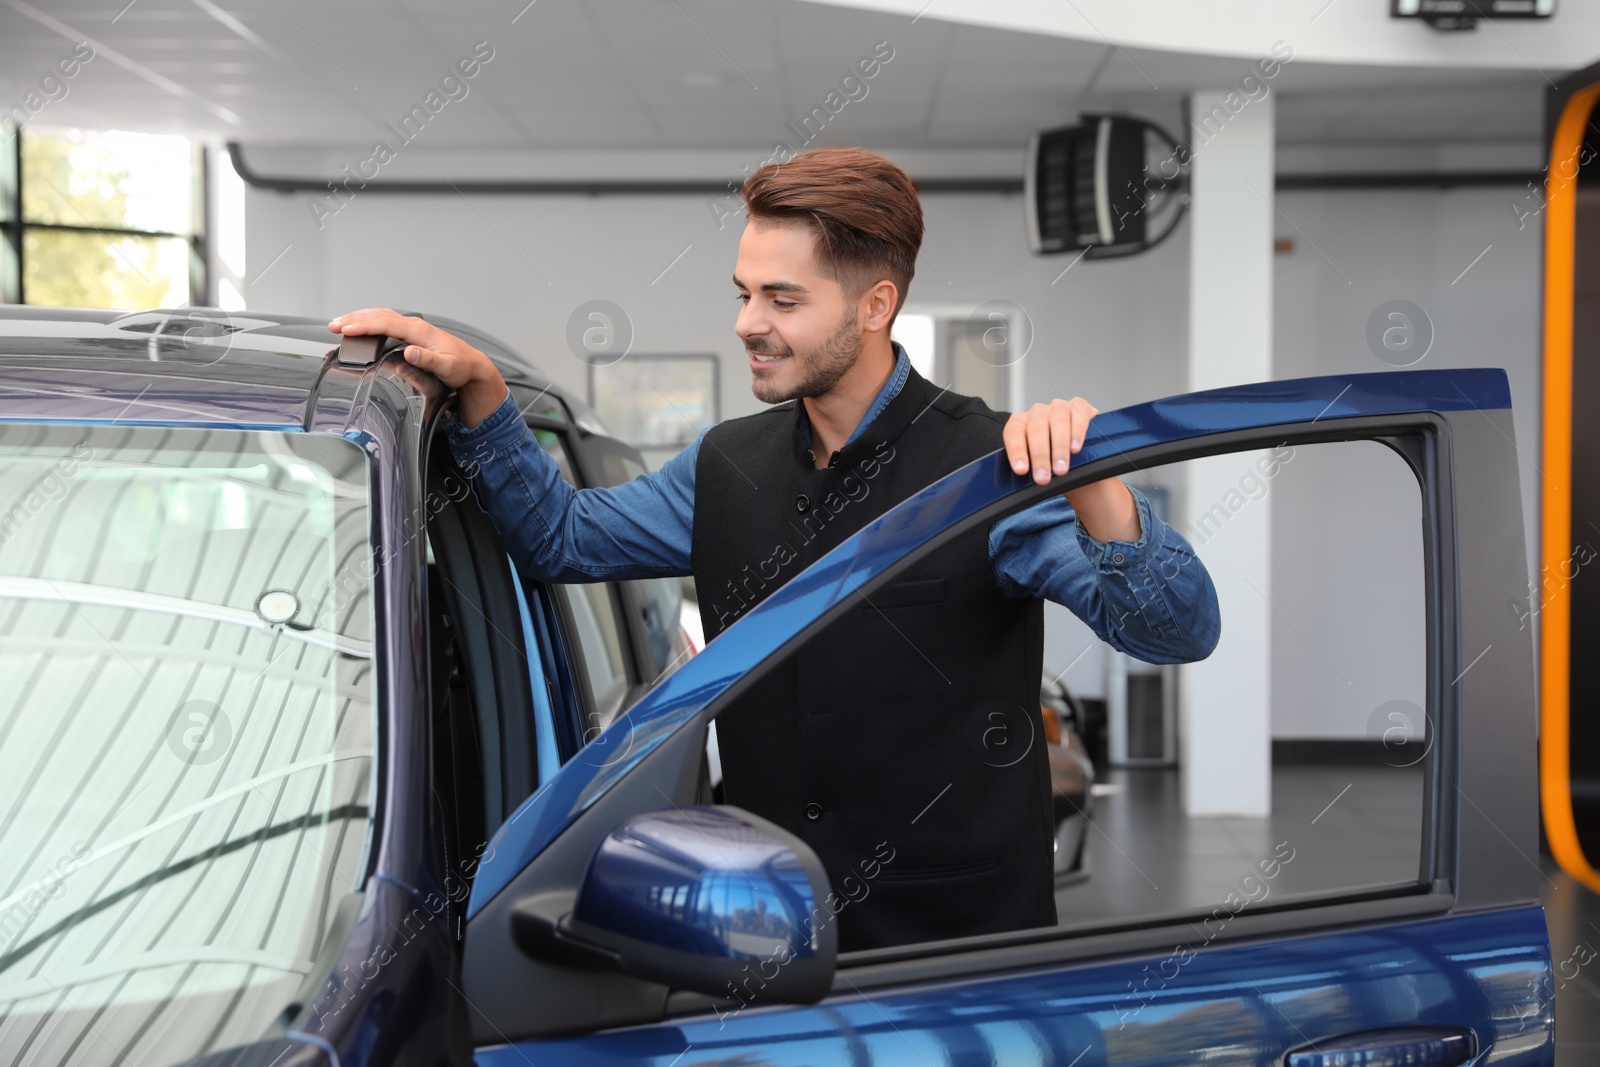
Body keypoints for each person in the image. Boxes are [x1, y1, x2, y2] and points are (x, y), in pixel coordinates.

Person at [329, 146, 1220, 953]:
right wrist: (483, 390)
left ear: (876, 306)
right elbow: (563, 537)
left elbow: (1174, 632)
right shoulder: (724, 465)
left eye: (783, 299)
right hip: (760, 946)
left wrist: (1099, 480)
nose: (749, 322)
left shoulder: (990, 469)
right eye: (744, 292)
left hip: (955, 962)